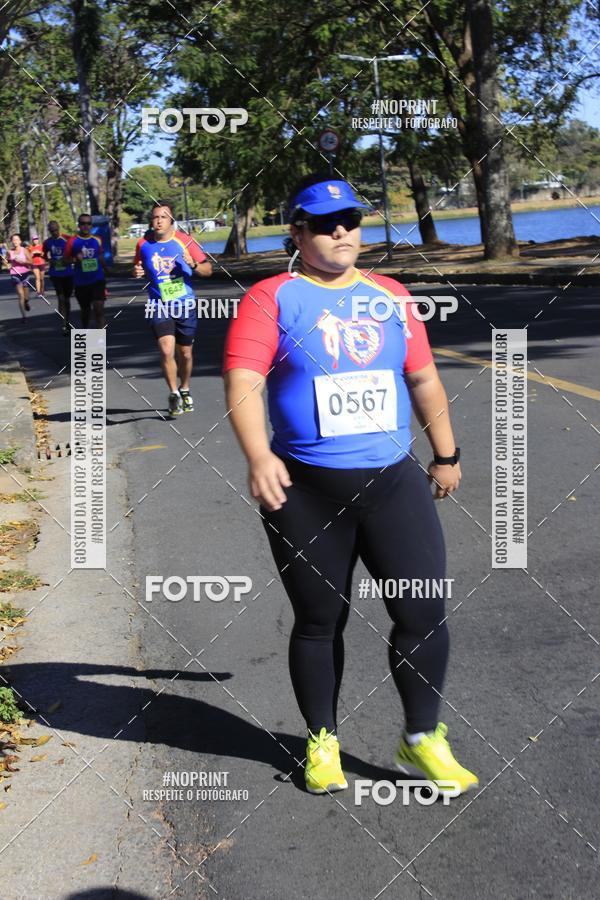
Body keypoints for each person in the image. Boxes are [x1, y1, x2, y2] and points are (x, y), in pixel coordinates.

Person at [223, 173, 478, 797]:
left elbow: (422, 379)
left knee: (422, 609)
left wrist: (446, 452)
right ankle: (322, 742)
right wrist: (259, 456)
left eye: (351, 221)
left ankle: (422, 739)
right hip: (305, 491)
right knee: (319, 619)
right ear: (298, 231)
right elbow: (243, 382)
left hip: (393, 482)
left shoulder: (391, 294)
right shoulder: (272, 298)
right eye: (324, 222)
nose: (341, 231)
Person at [133, 201, 212, 417]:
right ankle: (174, 393)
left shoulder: (185, 241)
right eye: (155, 217)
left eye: (163, 217)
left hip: (184, 304)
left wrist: (194, 265)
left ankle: (185, 388)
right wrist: (136, 272)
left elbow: (208, 270)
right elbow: (138, 266)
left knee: (185, 353)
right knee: (166, 349)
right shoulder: (143, 243)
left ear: (171, 221)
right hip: (159, 305)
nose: (158, 221)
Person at [64, 214, 108, 328]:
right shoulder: (72, 241)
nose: (85, 226)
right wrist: (75, 259)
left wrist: (108, 269)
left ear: (91, 225)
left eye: (88, 223)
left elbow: (101, 256)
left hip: (98, 280)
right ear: (79, 225)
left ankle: (100, 342)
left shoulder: (97, 240)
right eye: (83, 223)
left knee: (99, 309)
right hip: (81, 282)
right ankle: (86, 334)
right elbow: (65, 261)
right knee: (85, 311)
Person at [43, 220, 73, 335]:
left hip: (68, 273)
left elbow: (75, 253)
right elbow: (45, 255)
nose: (54, 232)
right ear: (49, 231)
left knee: (67, 299)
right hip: (55, 274)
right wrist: (50, 260)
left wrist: (69, 260)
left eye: (56, 230)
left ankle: (67, 320)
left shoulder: (67, 239)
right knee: (61, 298)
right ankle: (63, 324)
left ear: (59, 228)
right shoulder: (47, 242)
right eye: (52, 231)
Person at [7, 233, 33, 319]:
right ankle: (24, 316)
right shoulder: (10, 252)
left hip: (25, 274)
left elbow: (31, 262)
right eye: (13, 240)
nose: (15, 242)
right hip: (15, 274)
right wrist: (7, 265)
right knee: (20, 295)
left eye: (17, 240)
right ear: (12, 241)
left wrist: (23, 262)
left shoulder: (24, 250)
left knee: (26, 296)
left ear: (20, 241)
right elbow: (7, 262)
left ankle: (26, 302)